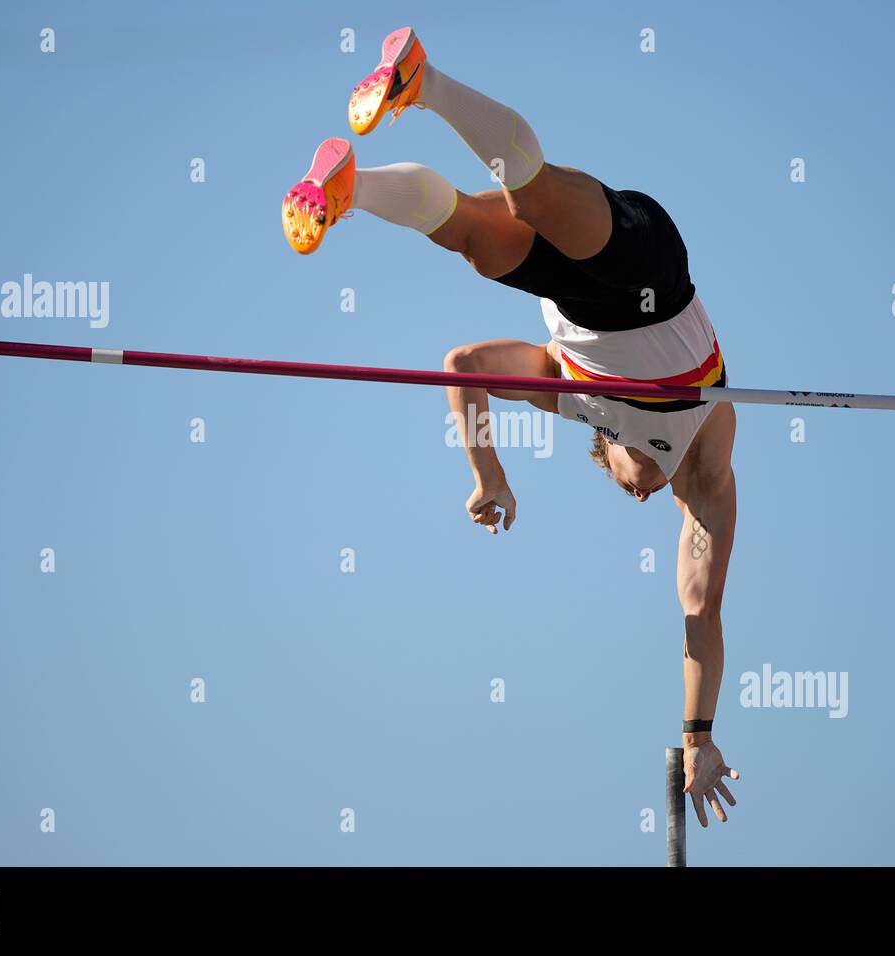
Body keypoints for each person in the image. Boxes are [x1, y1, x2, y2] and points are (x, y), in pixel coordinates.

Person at [283, 27, 739, 830]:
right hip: (650, 280)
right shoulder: (703, 474)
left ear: (603, 456)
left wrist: (487, 475)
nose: (642, 500)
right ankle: (422, 84)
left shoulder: (570, 397)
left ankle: (353, 191)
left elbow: (463, 365)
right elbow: (700, 613)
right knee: (532, 198)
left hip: (578, 301)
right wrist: (697, 735)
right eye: (642, 496)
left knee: (469, 237)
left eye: (629, 491)